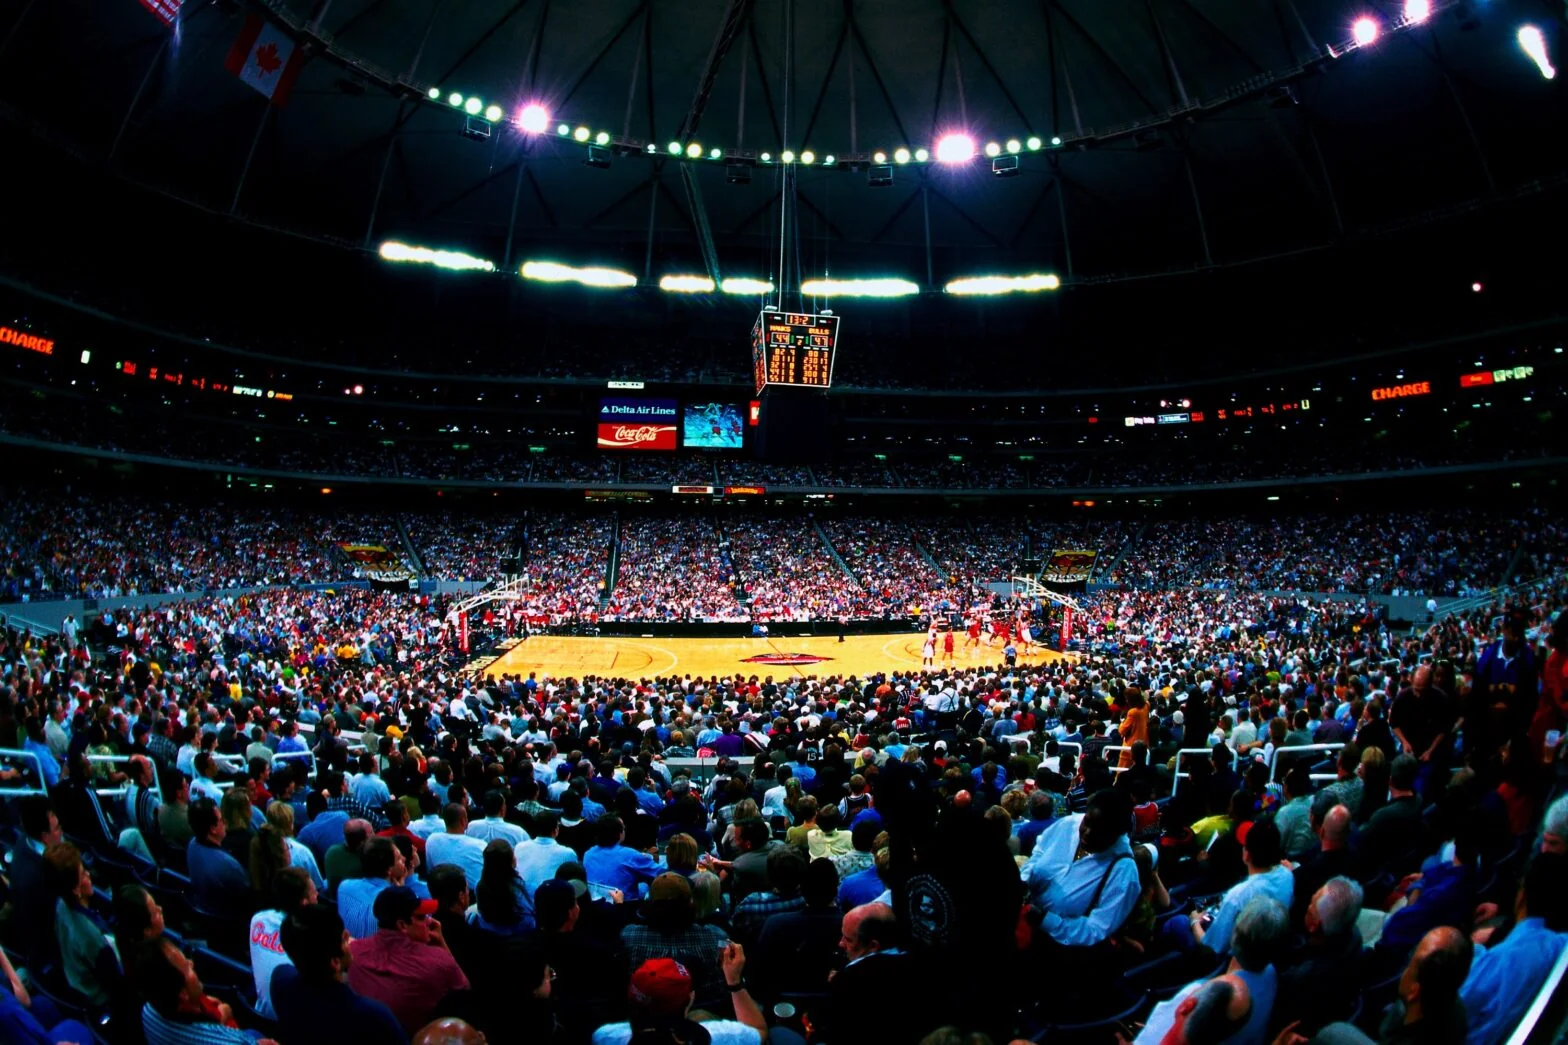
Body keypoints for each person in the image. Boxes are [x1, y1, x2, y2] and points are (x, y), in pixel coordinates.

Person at [1457, 853, 1568, 1045]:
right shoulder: (1560, 946)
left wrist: (1473, 951)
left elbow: (1455, 1010)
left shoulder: (1499, 960)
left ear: (1522, 895)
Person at [1020, 788, 1141, 949]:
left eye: (1100, 830)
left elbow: (1096, 930)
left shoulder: (1124, 871)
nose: (1088, 833)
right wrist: (1025, 878)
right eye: (1087, 822)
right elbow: (1040, 851)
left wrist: (1046, 920)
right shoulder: (1068, 824)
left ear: (1117, 833)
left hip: (1058, 954)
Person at [272, 904, 407, 1045]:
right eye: (344, 938)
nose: (349, 934)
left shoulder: (280, 981)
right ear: (335, 962)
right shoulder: (374, 1016)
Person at [347, 885, 470, 1034]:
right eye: (421, 917)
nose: (429, 921)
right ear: (402, 925)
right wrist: (442, 944)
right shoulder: (438, 962)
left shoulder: (353, 951)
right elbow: (465, 990)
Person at [591, 948, 766, 1045]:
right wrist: (734, 982)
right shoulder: (722, 1035)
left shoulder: (606, 1037)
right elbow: (759, 1031)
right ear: (690, 998)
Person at [133, 934, 277, 1045]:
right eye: (186, 966)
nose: (191, 963)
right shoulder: (233, 1042)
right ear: (183, 993)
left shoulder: (148, 1011)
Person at [1184, 820, 1293, 956]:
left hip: (1234, 960)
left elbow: (1211, 948)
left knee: (1177, 922)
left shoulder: (1237, 896)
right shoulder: (1288, 875)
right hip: (1271, 950)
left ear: (1246, 854)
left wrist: (1194, 921)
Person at [44, 842, 122, 1009]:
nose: (88, 874)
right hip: (103, 1000)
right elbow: (116, 983)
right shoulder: (90, 937)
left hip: (80, 980)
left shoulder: (60, 904)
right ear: (76, 890)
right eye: (83, 874)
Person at [249, 866, 316, 1019]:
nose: (317, 895)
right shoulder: (310, 938)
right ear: (305, 903)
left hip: (260, 1015)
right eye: (314, 892)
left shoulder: (258, 920)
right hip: (294, 1024)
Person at [186, 797, 253, 917]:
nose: (225, 823)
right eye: (221, 820)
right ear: (213, 829)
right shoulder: (229, 865)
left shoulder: (192, 845)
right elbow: (248, 898)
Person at [467, 838, 535, 936]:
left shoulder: (480, 886)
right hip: (520, 940)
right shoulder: (529, 889)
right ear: (512, 861)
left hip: (489, 939)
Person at [584, 815, 661, 898]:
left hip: (595, 904)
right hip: (624, 906)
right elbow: (661, 873)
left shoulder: (588, 853)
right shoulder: (630, 855)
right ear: (620, 832)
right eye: (623, 828)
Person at [514, 811, 580, 900]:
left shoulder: (519, 847)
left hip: (522, 902)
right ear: (556, 830)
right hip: (550, 904)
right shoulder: (567, 853)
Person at [425, 803, 488, 891]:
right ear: (463, 821)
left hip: (441, 890)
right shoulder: (480, 845)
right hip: (472, 896)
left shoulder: (431, 840)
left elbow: (430, 870)